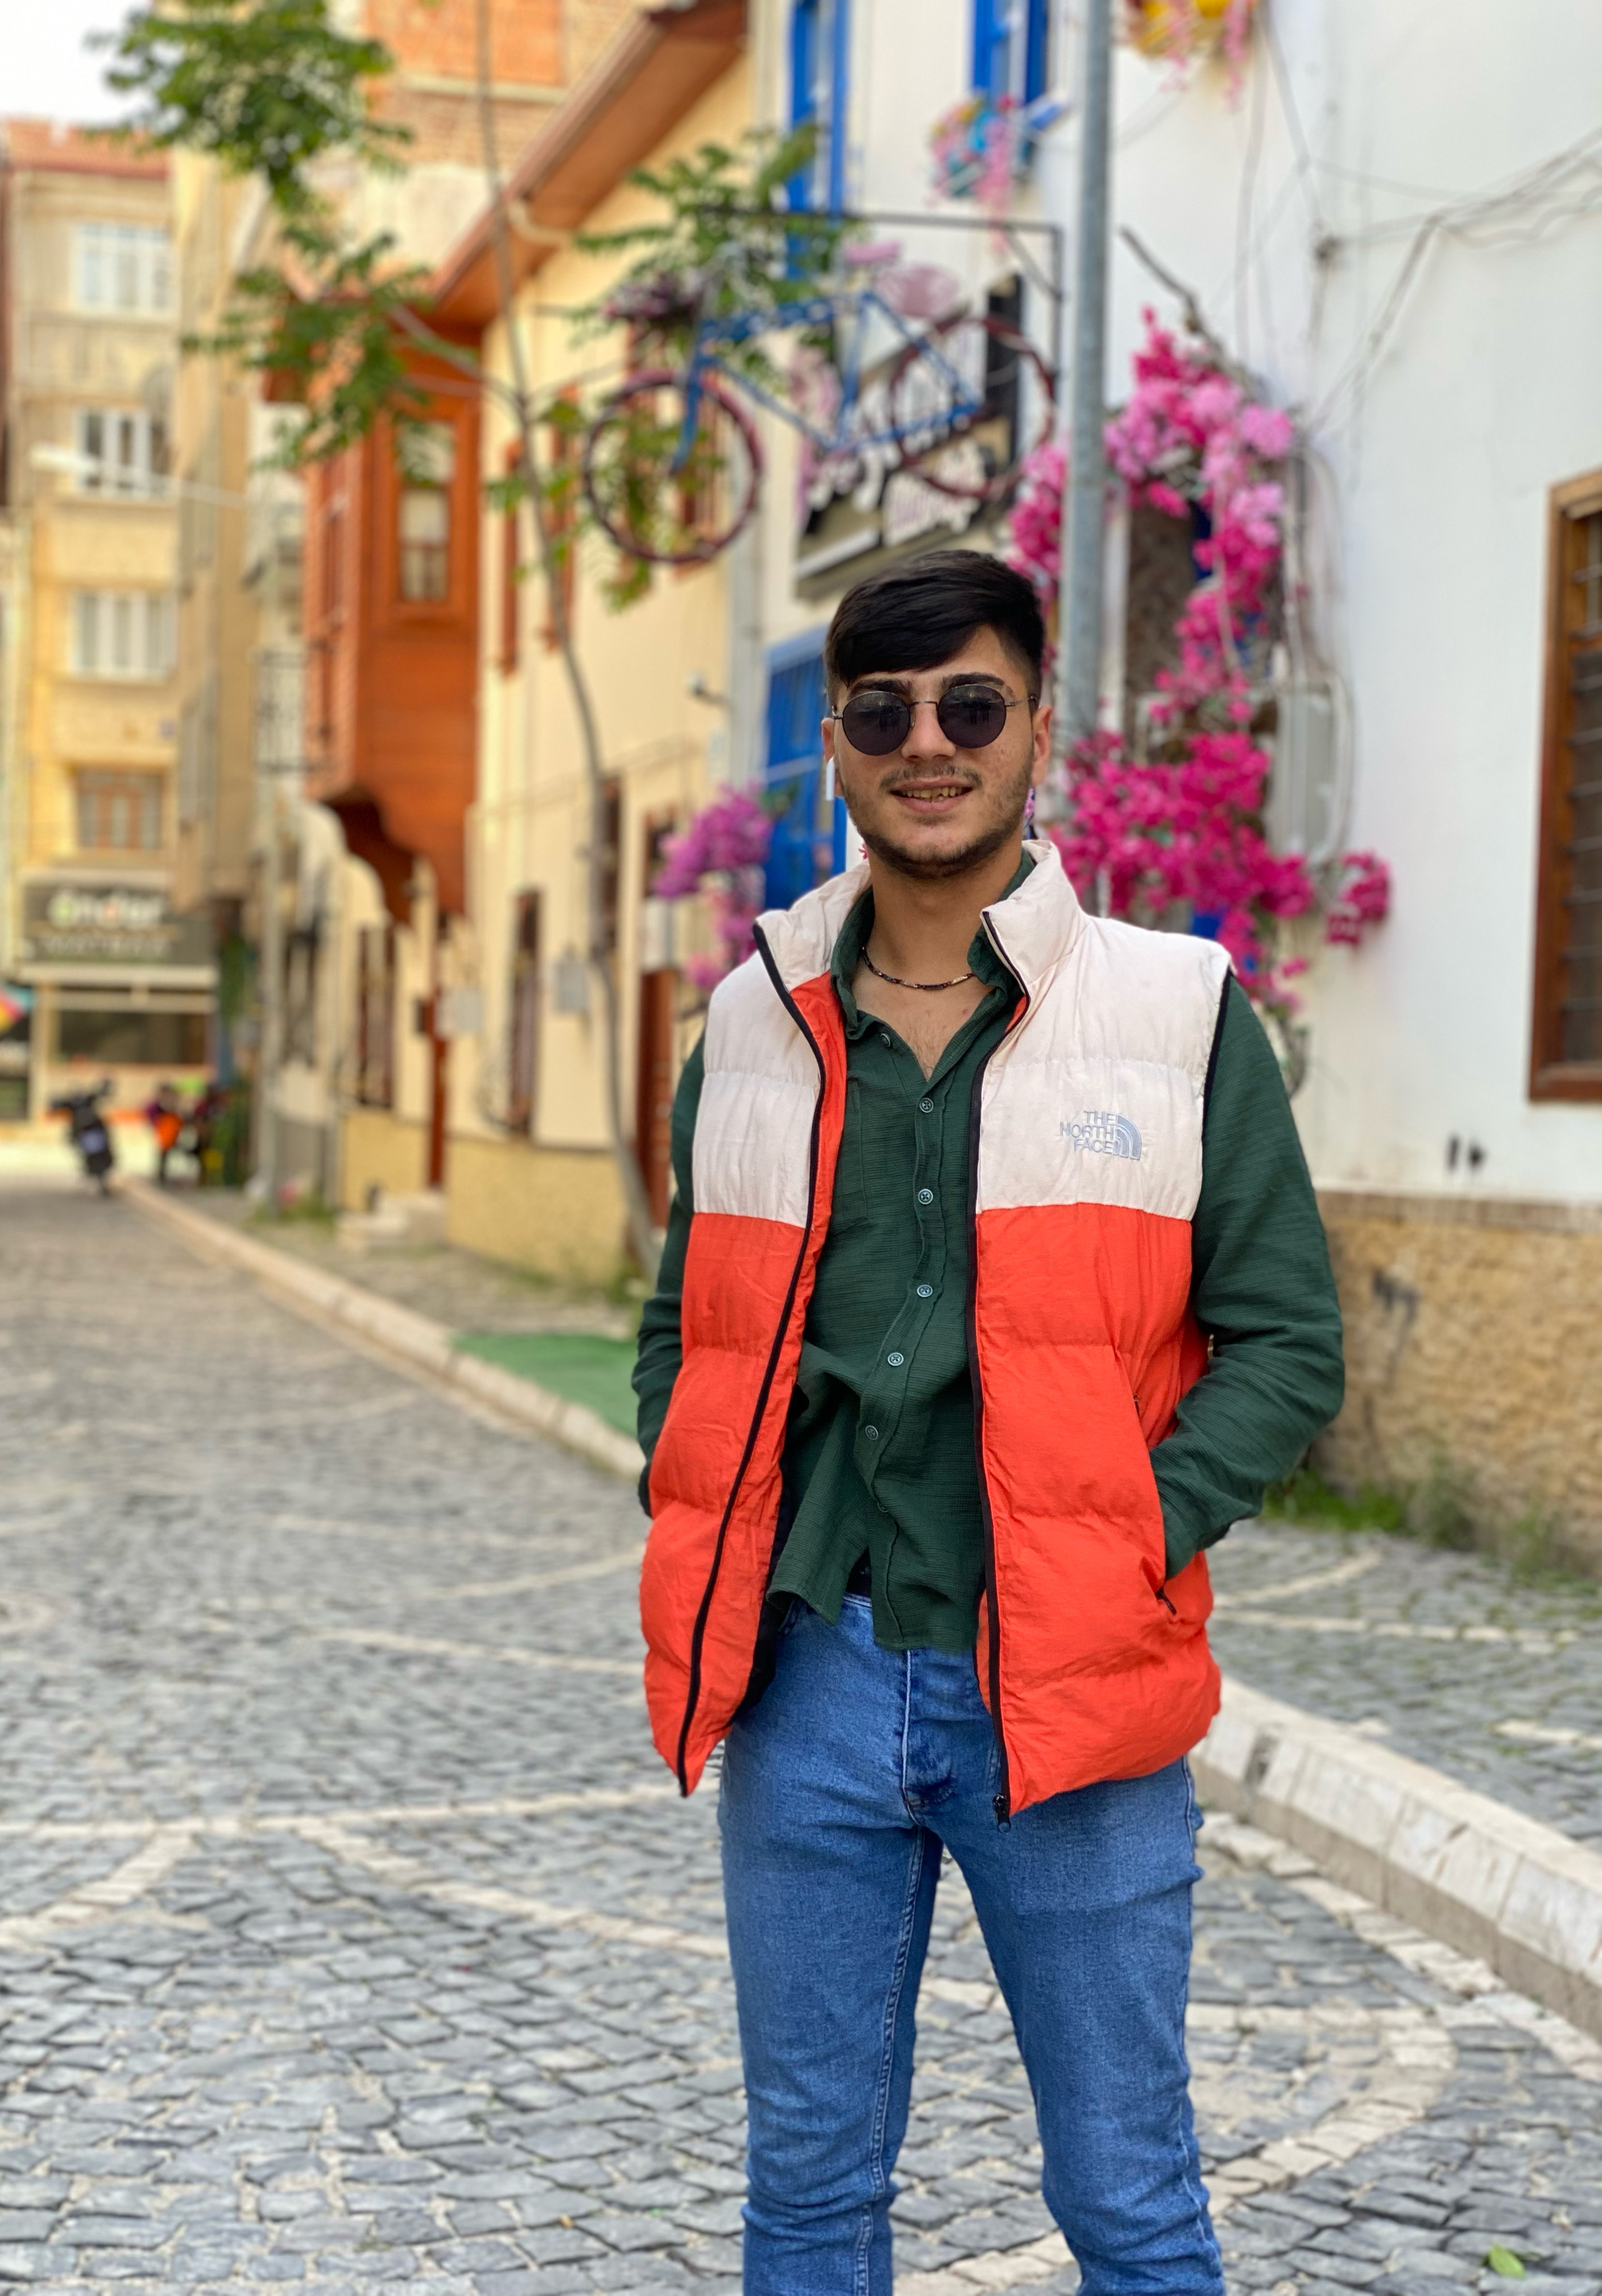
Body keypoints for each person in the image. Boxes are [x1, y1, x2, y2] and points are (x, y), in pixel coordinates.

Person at [633, 549, 1344, 2296]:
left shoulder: (1176, 1012)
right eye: (881, 713)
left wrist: (1131, 1530)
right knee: (807, 2191)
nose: (927, 745)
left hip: (1069, 1683)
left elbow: (1284, 1344)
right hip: (805, 1679)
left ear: (1039, 731)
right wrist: (702, 1487)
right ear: (836, 748)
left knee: (1128, 2196)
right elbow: (680, 1324)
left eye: (970, 704)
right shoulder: (751, 1018)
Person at [145, 1081, 183, 1186]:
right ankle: (162, 1175)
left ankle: (165, 1175)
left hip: (171, 1132)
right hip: (165, 1132)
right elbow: (151, 1114)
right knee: (164, 1154)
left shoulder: (171, 1105)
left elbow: (178, 1119)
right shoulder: (158, 1106)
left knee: (167, 1155)